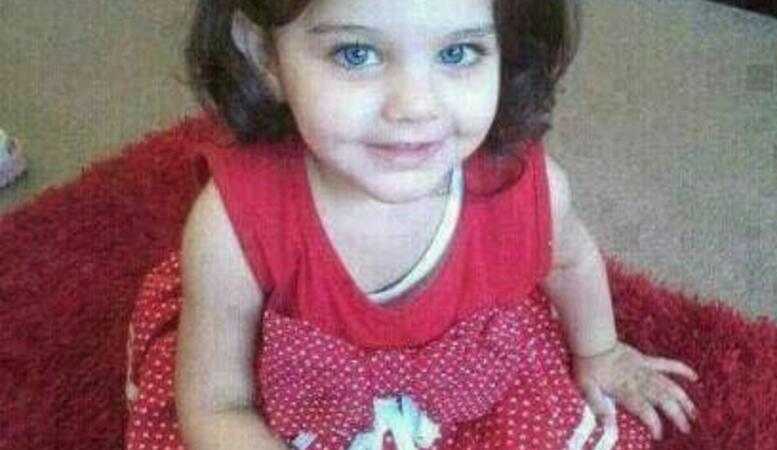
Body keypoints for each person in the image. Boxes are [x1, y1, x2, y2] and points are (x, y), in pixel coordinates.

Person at [125, 0, 700, 449]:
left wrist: (600, 352)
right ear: (265, 55)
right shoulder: (229, 228)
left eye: (459, 52)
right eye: (356, 54)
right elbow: (216, 405)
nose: (415, 106)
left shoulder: (529, 188)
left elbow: (569, 259)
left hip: (473, 381)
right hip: (298, 408)